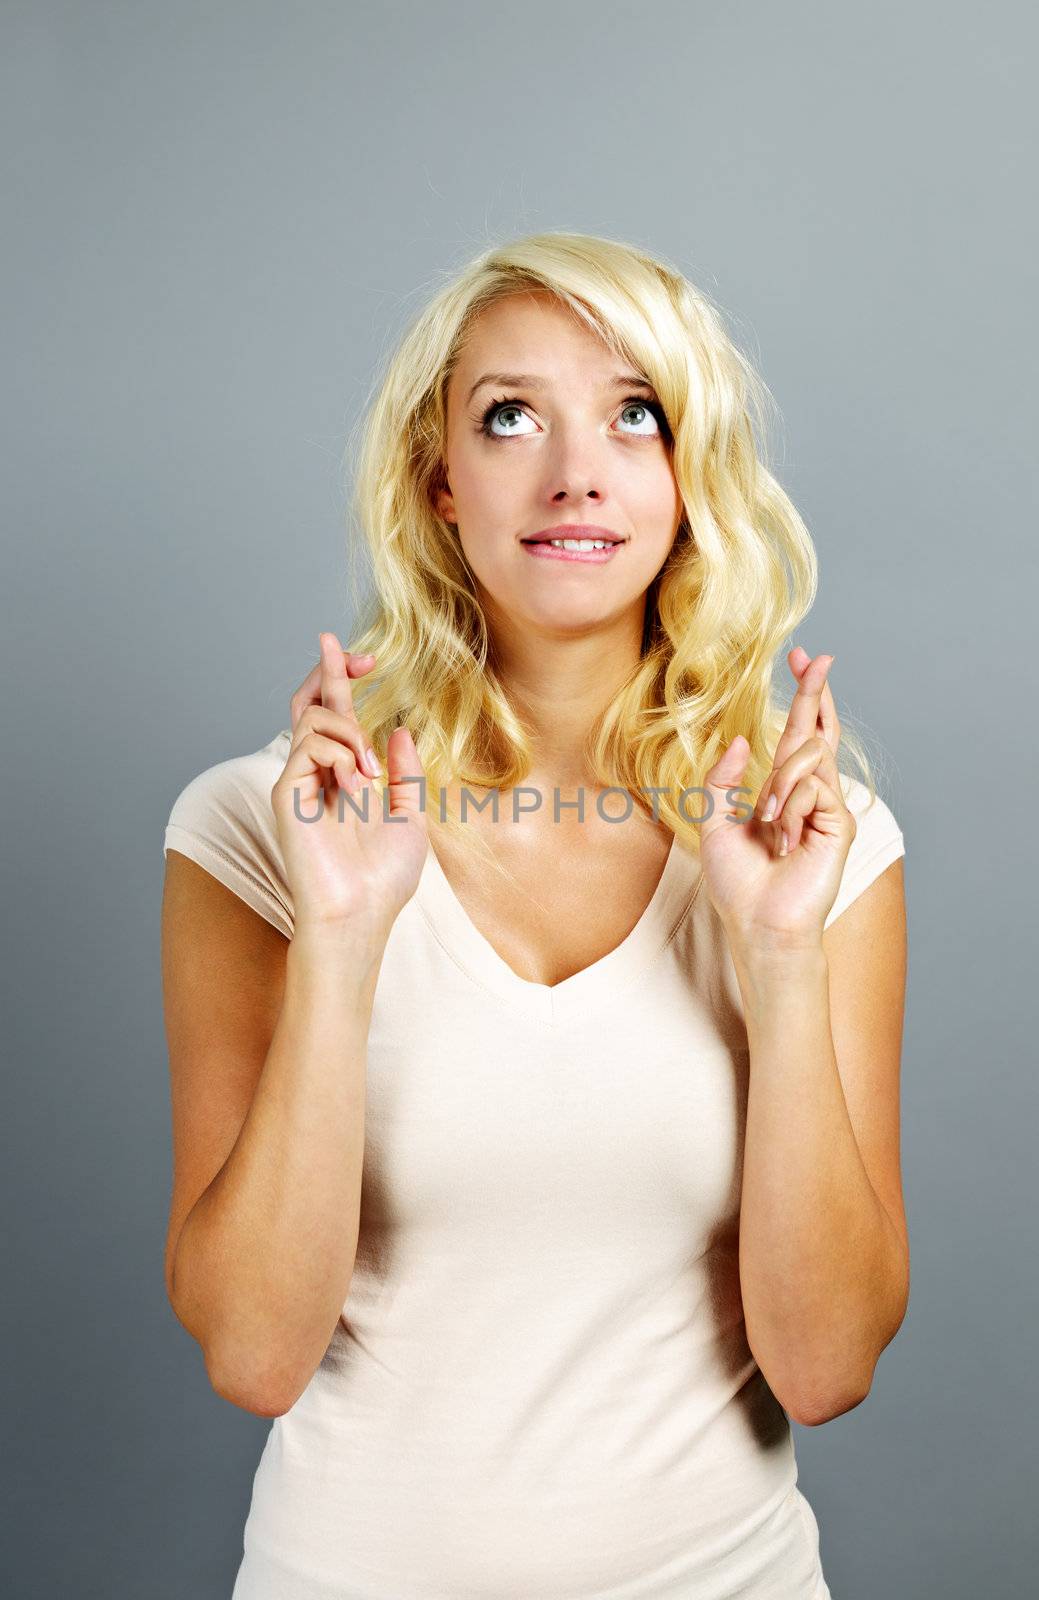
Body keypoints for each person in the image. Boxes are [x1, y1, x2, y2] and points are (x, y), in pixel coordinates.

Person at [160, 231, 908, 1599]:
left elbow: (829, 1368)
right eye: (512, 416)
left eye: (637, 414)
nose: (578, 473)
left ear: (692, 478)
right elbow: (254, 1357)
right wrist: (342, 940)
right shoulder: (256, 831)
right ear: (439, 480)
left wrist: (782, 956)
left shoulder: (818, 852)